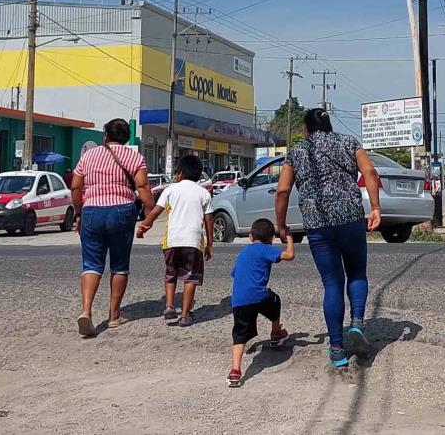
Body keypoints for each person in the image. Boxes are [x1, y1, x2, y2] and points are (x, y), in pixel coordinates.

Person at [275, 107, 381, 370]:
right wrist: (376, 208)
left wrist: (281, 225)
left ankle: (336, 349)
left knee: (332, 283)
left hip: (318, 224)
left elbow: (282, 190)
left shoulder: (298, 151)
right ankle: (356, 323)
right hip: (351, 218)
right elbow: (369, 172)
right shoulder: (348, 142)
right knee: (357, 272)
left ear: (306, 129)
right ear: (329, 125)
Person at [70, 118, 154, 337]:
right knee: (119, 264)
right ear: (126, 137)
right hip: (122, 211)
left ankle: (86, 311)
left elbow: (76, 186)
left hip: (92, 210)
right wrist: (149, 212)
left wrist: (79, 212)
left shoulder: (89, 155)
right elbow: (143, 186)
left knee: (91, 263)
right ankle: (114, 315)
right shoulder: (135, 157)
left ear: (105, 135)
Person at [135, 153, 214, 327]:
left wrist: (143, 227)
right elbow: (209, 220)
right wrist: (210, 244)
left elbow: (155, 211)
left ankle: (169, 306)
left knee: (170, 274)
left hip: (171, 241)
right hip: (193, 242)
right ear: (199, 175)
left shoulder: (170, 190)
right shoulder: (204, 193)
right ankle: (185, 315)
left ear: (179, 174)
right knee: (190, 278)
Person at [227, 218, 295, 388]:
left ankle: (235, 370)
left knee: (240, 334)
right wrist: (289, 239)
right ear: (272, 238)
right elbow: (289, 255)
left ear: (250, 236)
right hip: (259, 295)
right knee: (275, 301)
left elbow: (235, 273)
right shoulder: (267, 249)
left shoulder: (244, 252)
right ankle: (276, 333)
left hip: (239, 300)